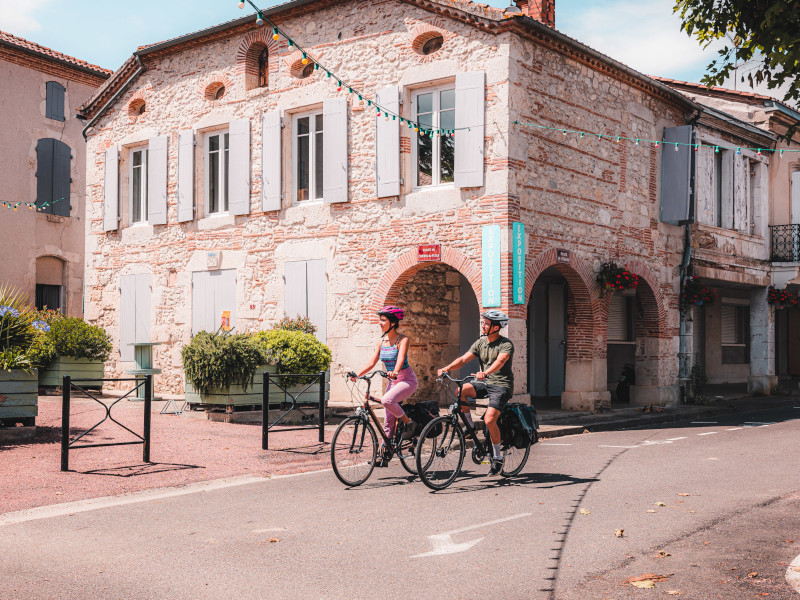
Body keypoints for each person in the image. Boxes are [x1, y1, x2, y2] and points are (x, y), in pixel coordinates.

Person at [437, 310, 514, 476]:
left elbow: (500, 361)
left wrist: (486, 372)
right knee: (461, 390)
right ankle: (470, 425)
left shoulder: (506, 344)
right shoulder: (481, 343)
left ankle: (498, 457)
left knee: (489, 420)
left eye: (486, 323)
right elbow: (464, 359)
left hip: (501, 385)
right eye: (483, 323)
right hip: (485, 383)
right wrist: (447, 368)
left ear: (496, 327)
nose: (483, 326)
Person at [352, 305, 418, 443]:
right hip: (393, 382)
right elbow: (372, 362)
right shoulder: (381, 342)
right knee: (388, 420)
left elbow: (400, 358)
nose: (379, 323)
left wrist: (395, 371)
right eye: (379, 320)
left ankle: (409, 422)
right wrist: (357, 375)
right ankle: (385, 451)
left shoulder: (403, 339)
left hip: (407, 381)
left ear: (392, 323)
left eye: (383, 320)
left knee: (386, 400)